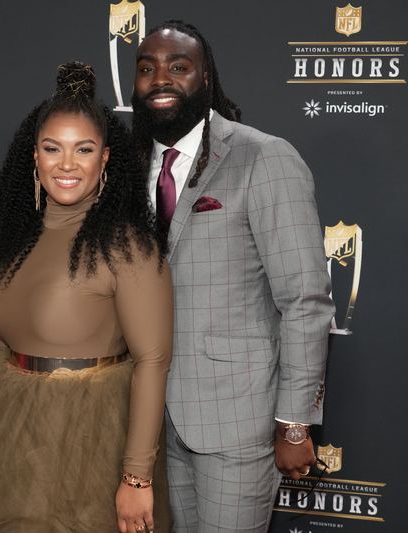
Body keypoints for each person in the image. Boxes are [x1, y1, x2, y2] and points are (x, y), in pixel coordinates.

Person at [0, 62, 174, 533]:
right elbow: (0, 337)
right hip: (9, 446)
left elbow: (154, 359)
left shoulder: (127, 246)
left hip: (87, 453)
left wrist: (137, 478)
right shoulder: (15, 238)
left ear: (105, 160)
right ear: (33, 157)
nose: (66, 163)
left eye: (84, 149)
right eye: (52, 148)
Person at [131, 20, 335, 533]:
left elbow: (305, 301)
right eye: (147, 69)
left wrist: (294, 423)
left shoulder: (262, 157)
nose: (161, 79)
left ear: (205, 78)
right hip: (148, 418)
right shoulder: (129, 167)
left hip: (236, 419)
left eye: (178, 68)